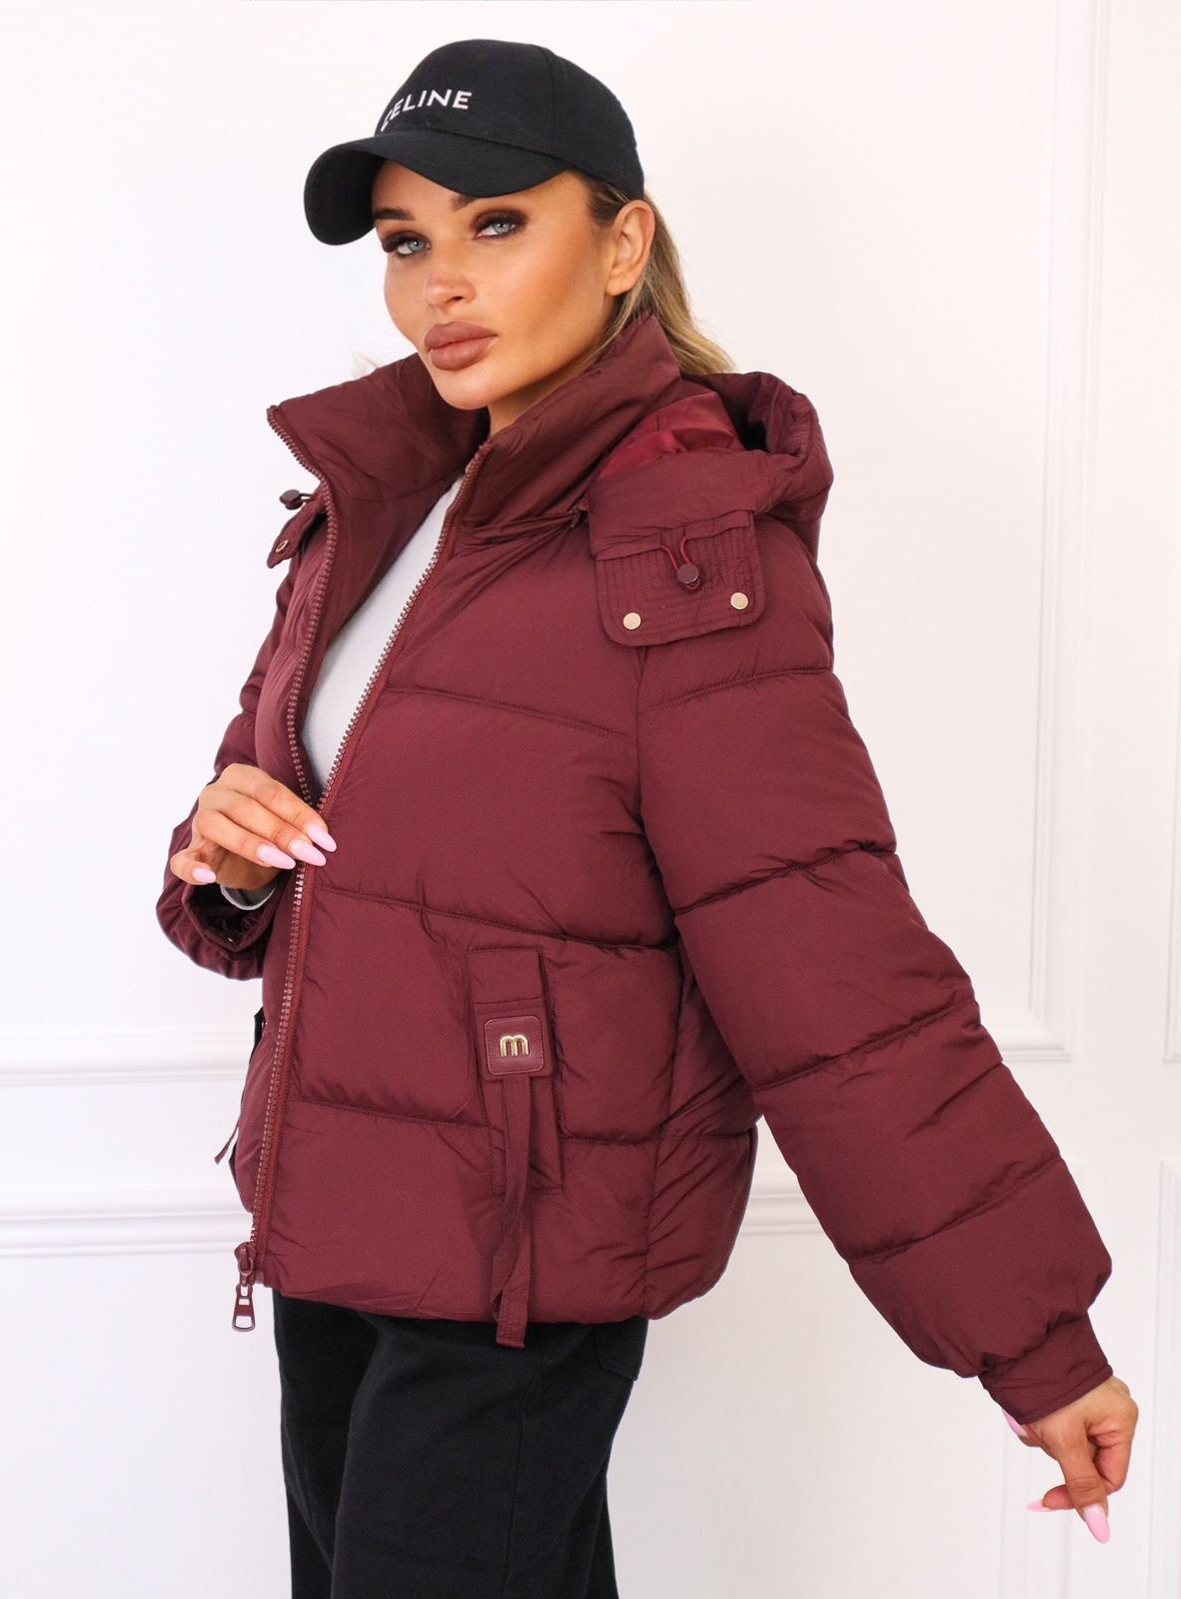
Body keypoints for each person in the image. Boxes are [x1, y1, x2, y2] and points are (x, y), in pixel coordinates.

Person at [156, 35, 1138, 1599]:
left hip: (515, 1266)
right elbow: (277, 833)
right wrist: (227, 857)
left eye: (496, 223)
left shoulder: (686, 553)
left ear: (623, 244)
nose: (440, 284)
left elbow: (832, 967)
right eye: (405, 241)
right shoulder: (386, 502)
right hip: (333, 1228)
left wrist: (1034, 1338)